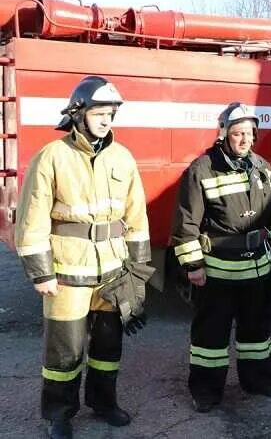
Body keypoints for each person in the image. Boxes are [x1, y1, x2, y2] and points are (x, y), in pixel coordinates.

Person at [15, 76, 151, 439]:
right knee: (65, 353)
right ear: (78, 113)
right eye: (99, 113)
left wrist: (137, 276)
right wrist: (41, 272)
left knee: (108, 347)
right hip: (66, 273)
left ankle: (104, 403)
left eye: (111, 114)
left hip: (113, 273)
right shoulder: (52, 157)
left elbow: (137, 220)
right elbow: (32, 220)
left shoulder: (122, 158)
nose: (107, 120)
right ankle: (59, 414)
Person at [171, 102, 271, 413]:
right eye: (238, 134)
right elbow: (186, 223)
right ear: (224, 134)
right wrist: (193, 266)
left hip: (257, 269)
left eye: (250, 134)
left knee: (256, 333)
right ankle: (206, 391)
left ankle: (258, 381)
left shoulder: (262, 167)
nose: (245, 140)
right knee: (211, 338)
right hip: (218, 273)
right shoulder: (201, 169)